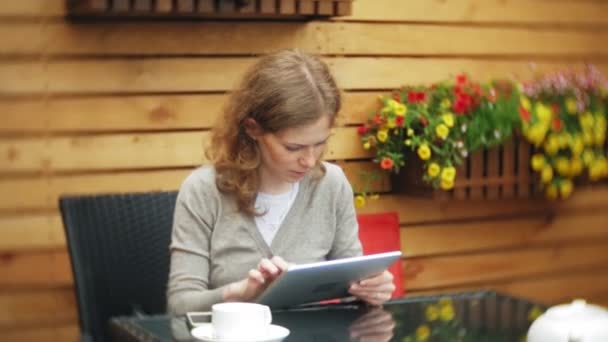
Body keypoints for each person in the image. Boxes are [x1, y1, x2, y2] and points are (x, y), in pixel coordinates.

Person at [167, 49, 395, 315]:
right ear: (253, 129)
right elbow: (180, 306)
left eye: (320, 143)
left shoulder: (331, 185)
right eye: (293, 147)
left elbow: (352, 284)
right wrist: (237, 294)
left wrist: (372, 290)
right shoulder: (204, 190)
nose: (309, 161)